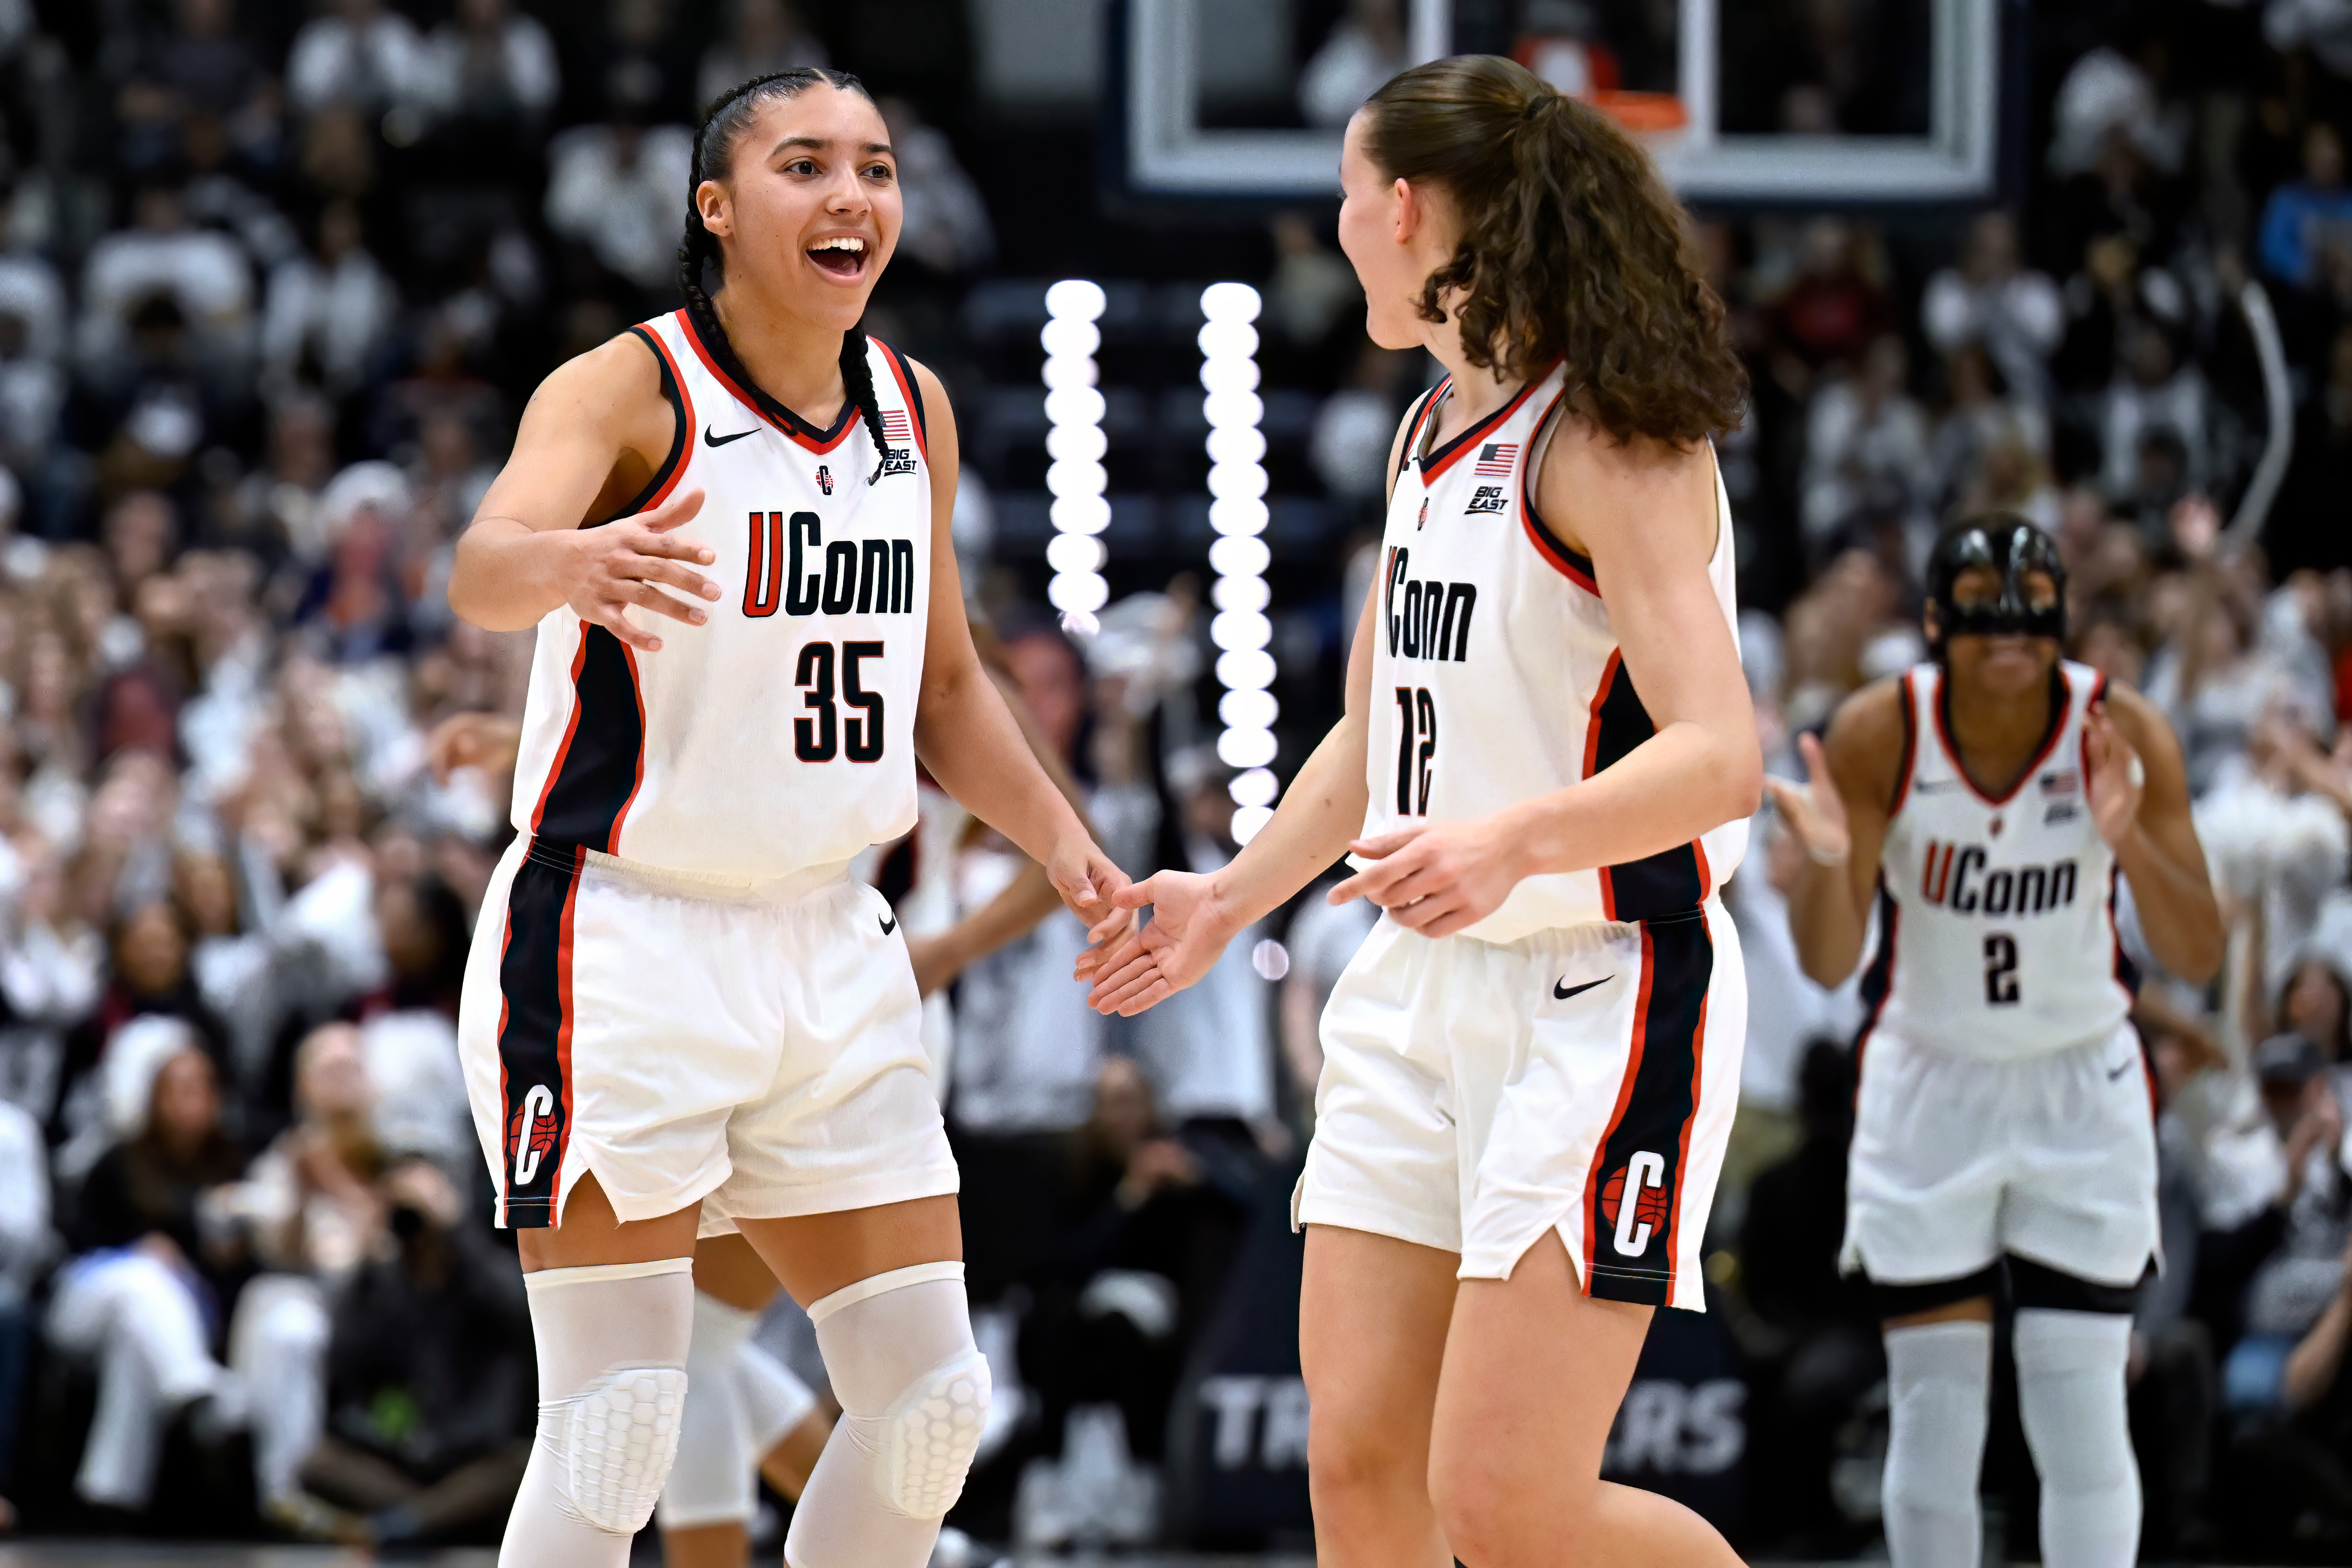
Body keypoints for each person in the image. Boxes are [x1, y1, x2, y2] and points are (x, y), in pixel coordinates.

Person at [443, 66, 1129, 1568]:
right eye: (806, 166)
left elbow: (948, 686)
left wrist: (1069, 850)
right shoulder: (628, 387)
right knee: (619, 1423)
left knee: (934, 1408)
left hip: (832, 942)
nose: (852, 199)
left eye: (877, 169)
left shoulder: (915, 406)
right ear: (717, 208)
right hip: (624, 940)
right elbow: (483, 564)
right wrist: (569, 563)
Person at [1081, 55, 1759, 1568]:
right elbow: (1378, 734)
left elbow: (1722, 756)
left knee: (1507, 1509)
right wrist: (1228, 896)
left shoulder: (1615, 436)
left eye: (1340, 198)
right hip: (1418, 989)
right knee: (1358, 1470)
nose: (1333, 228)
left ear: (1402, 209)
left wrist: (1510, 838)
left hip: (1605, 988)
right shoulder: (1428, 433)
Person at [1767, 517, 2224, 1568]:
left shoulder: (2124, 732)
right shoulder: (1880, 732)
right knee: (1935, 1421)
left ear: (2064, 618)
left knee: (2079, 1414)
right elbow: (1832, 963)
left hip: (2080, 1082)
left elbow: (2197, 949)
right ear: (1934, 623)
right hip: (1932, 1079)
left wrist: (2128, 846)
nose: (2011, 627)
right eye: (1982, 602)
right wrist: (1834, 865)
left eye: (2034, 604)